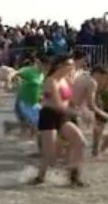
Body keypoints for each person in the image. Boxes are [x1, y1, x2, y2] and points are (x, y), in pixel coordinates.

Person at [32, 55, 87, 187]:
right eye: (70, 65)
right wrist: (77, 114)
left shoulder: (66, 80)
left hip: (63, 116)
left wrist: (82, 109)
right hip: (49, 116)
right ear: (60, 66)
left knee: (80, 141)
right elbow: (56, 104)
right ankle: (39, 178)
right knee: (50, 156)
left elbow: (69, 100)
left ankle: (74, 176)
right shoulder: (50, 81)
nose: (73, 67)